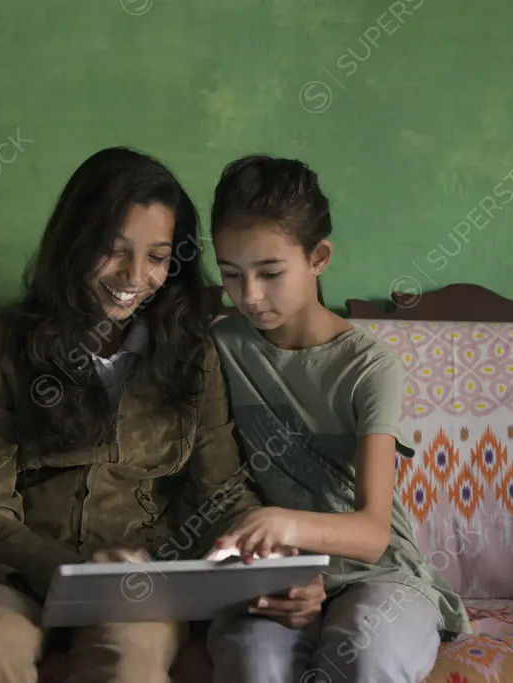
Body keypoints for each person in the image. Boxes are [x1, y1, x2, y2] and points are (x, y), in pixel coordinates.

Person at [0, 147, 326, 683]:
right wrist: (66, 570)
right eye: (111, 250)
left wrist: (279, 564)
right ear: (74, 243)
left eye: (158, 257)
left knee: (130, 663)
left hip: (140, 579)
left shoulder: (192, 353)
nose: (134, 276)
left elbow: (222, 494)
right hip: (12, 577)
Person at [203, 155, 472, 683]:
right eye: (231, 274)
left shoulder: (369, 366)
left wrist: (285, 521)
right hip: (275, 576)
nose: (250, 296)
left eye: (270, 272)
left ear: (319, 257)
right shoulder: (220, 348)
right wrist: (267, 560)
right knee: (253, 662)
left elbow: (373, 533)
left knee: (365, 652)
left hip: (379, 574)